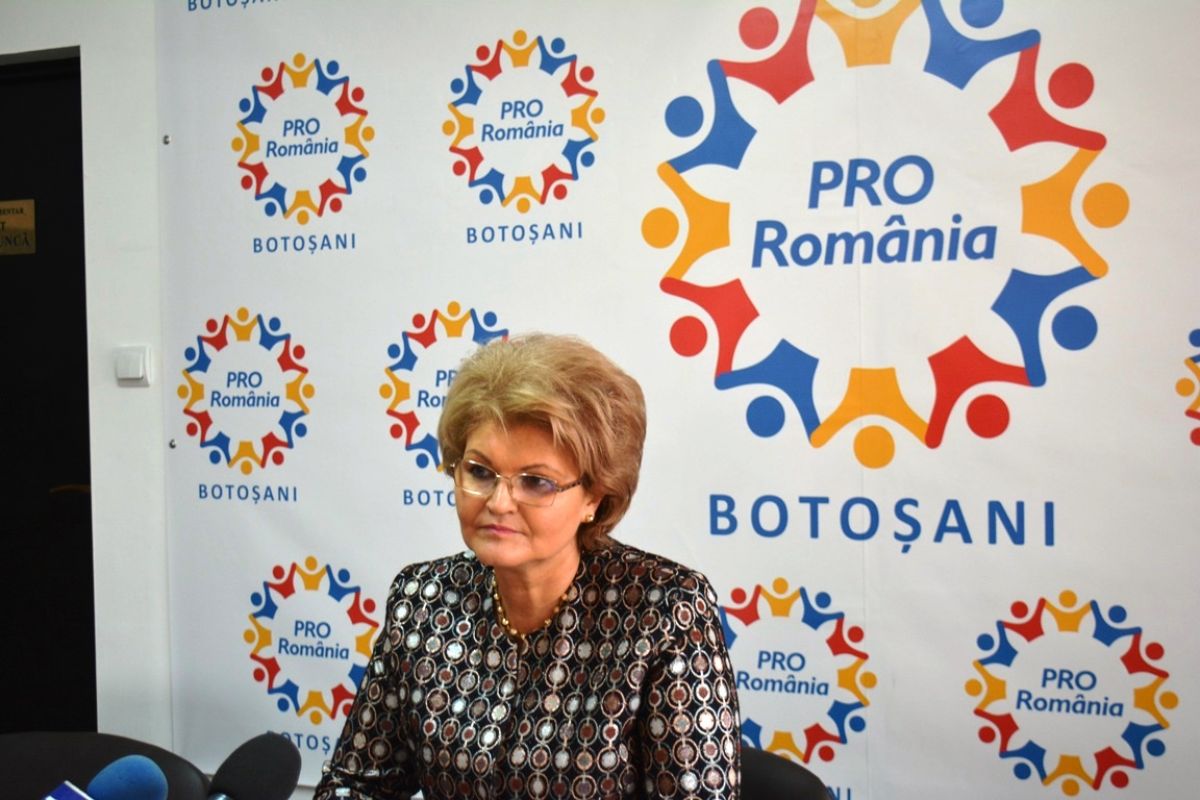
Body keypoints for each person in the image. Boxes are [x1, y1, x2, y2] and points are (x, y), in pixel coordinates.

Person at [315, 333, 741, 800]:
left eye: (536, 482)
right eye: (480, 472)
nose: (499, 502)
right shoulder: (423, 599)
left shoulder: (665, 611)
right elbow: (356, 783)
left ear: (594, 498)